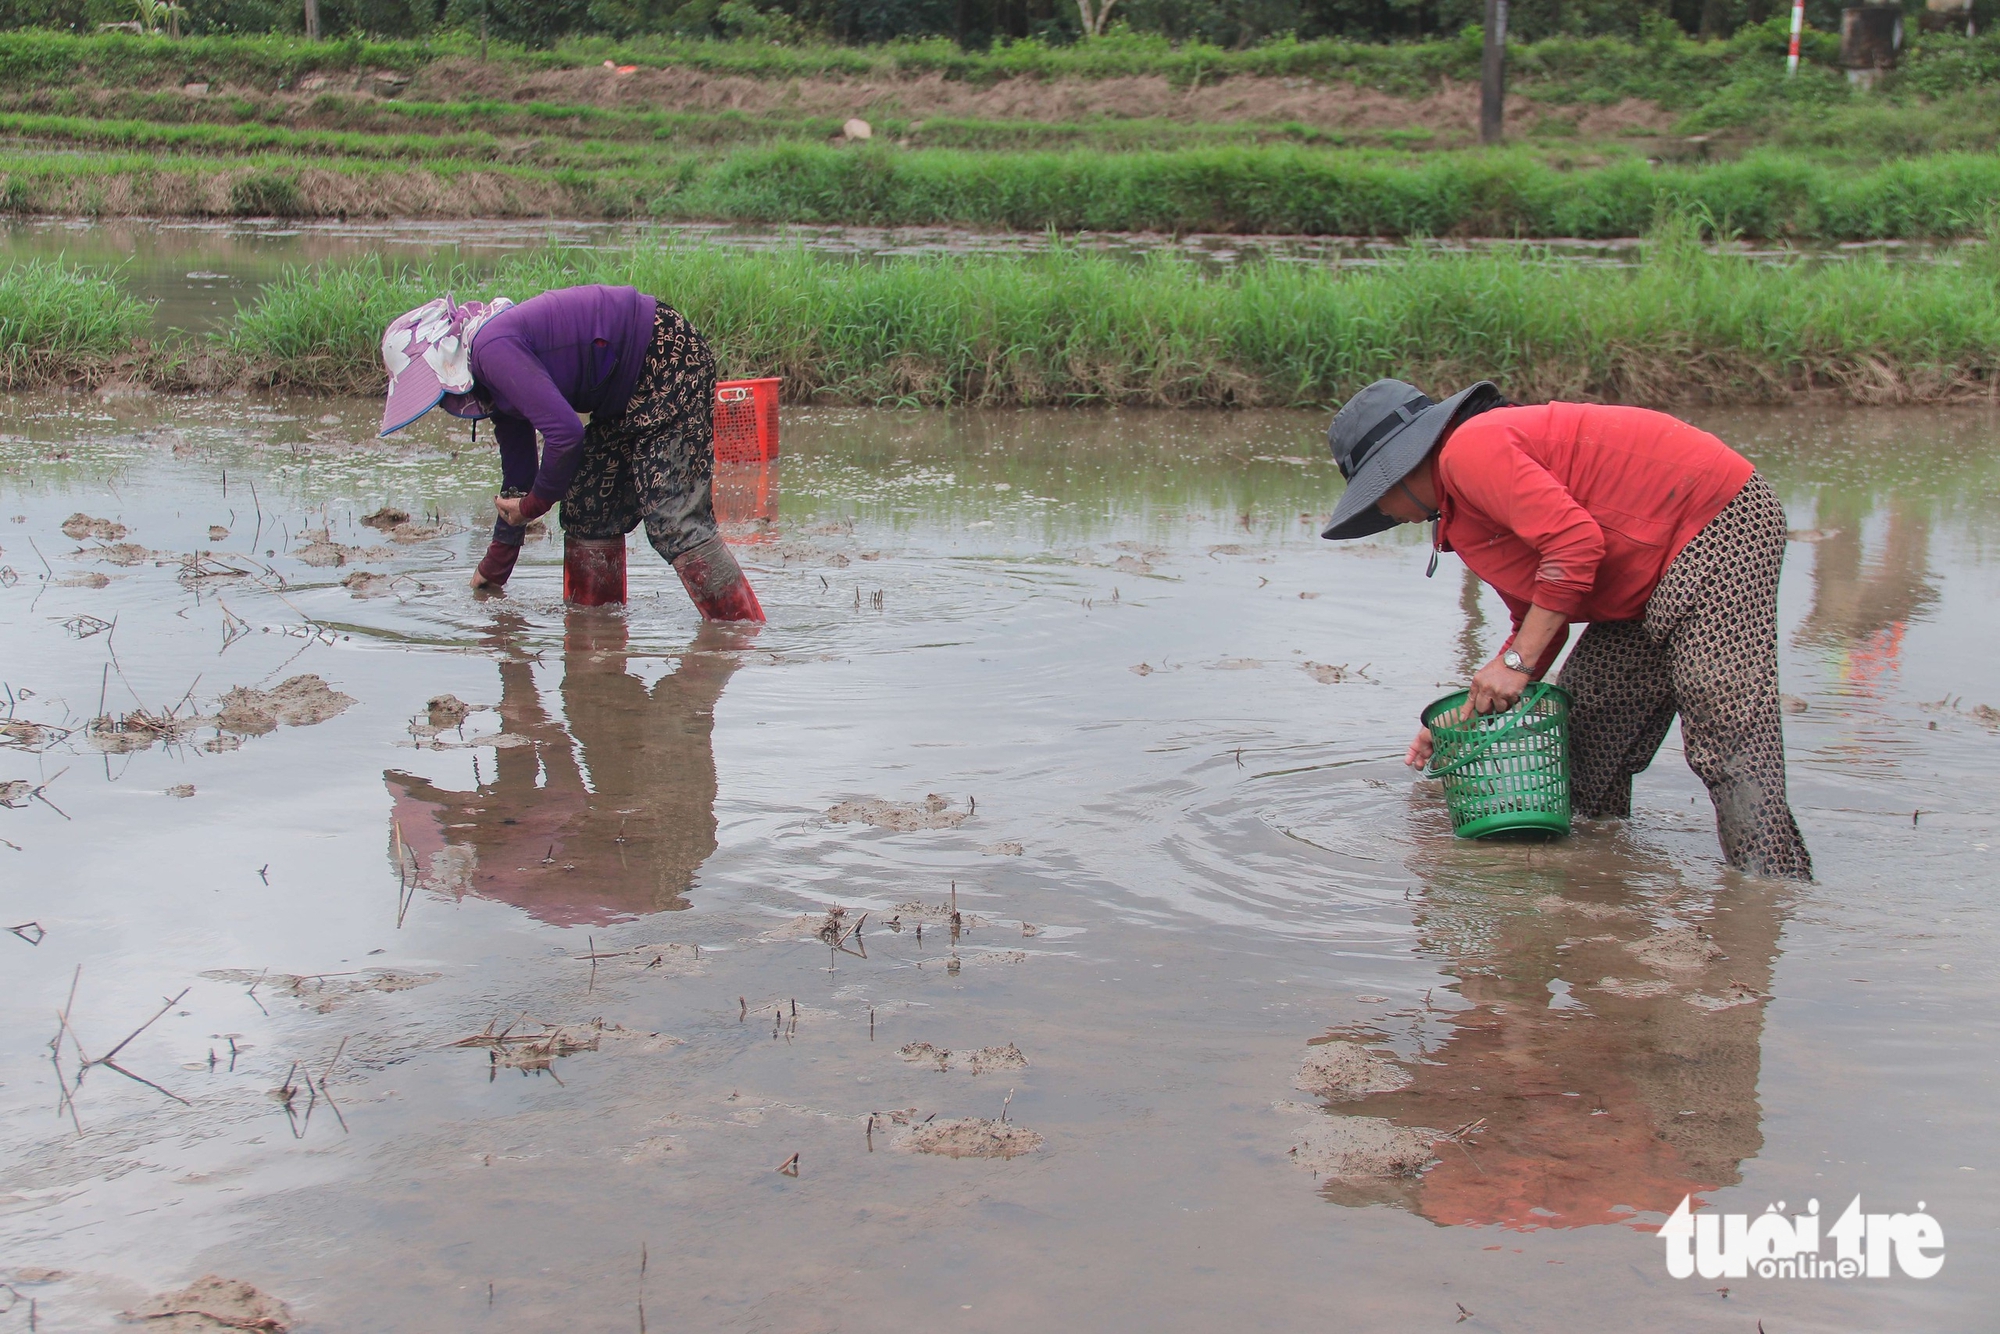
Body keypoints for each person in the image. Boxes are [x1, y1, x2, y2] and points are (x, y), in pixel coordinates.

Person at [1320, 379, 1812, 880]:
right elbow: (1537, 622)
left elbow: (1575, 545)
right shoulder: (1463, 519)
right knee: (1590, 725)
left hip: (1716, 519)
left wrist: (1516, 665)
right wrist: (1467, 714)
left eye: (1377, 496)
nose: (1383, 513)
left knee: (1724, 727)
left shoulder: (1470, 450)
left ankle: (1772, 891)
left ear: (1405, 467)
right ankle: (1596, 877)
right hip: (1641, 577)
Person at [377, 284, 763, 621]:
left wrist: (533, 506)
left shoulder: (492, 349)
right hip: (620, 393)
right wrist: (493, 569)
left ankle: (741, 634)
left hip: (666, 357)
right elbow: (519, 476)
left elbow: (565, 436)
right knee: (588, 509)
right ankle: (596, 637)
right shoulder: (490, 372)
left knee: (673, 517)